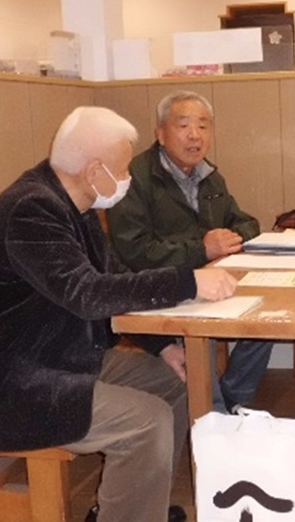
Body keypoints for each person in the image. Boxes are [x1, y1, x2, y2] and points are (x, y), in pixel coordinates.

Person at [0, 106, 238, 522]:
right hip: (12, 383)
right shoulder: (31, 210)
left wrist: (161, 347)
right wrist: (187, 282)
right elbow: (88, 294)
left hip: (62, 359)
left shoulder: (72, 205)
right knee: (146, 421)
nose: (128, 178)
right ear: (95, 170)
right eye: (123, 169)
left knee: (174, 382)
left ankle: (132, 509)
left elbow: (112, 276)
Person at [106, 90, 271, 412]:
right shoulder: (134, 178)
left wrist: (229, 239)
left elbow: (246, 223)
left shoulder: (209, 176)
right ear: (160, 134)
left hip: (209, 279)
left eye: (203, 126)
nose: (195, 135)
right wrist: (201, 250)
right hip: (159, 286)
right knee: (200, 324)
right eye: (184, 126)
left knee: (268, 314)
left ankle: (232, 397)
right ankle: (213, 413)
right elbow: (133, 251)